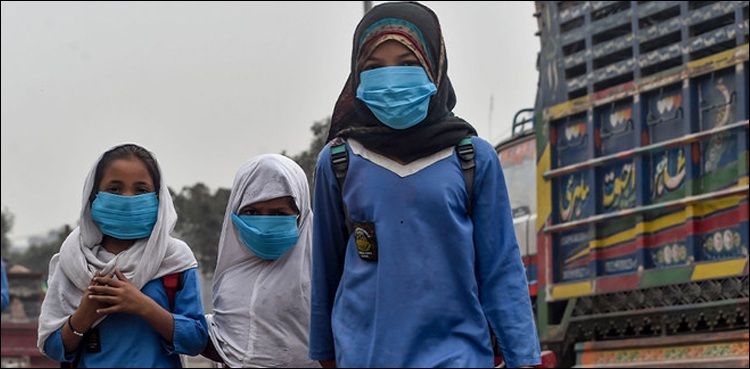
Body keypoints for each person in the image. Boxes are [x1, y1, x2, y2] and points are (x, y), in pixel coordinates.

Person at [308, 2, 542, 368]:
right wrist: (324, 353)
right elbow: (325, 271)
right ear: (356, 76)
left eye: (407, 63)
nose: (391, 78)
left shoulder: (473, 158)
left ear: (434, 65)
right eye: (373, 67)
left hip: (458, 356)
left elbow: (501, 270)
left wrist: (523, 357)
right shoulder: (339, 162)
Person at [37, 143, 208, 368]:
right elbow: (53, 346)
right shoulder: (72, 260)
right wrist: (84, 315)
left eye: (140, 190)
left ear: (158, 198)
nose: (127, 199)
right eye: (115, 189)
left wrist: (143, 306)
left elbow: (196, 340)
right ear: (93, 196)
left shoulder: (174, 259)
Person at [203, 154, 320, 368]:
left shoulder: (322, 271)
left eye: (278, 213)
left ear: (300, 214)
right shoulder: (230, 276)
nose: (265, 223)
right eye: (252, 212)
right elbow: (227, 345)